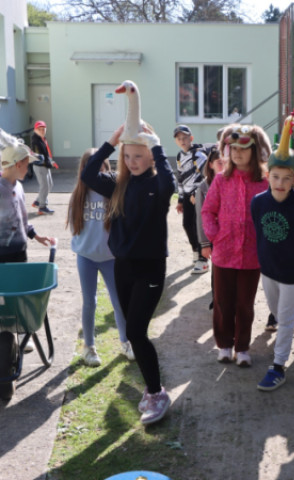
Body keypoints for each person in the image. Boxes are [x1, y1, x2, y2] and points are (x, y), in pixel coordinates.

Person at [81, 116, 175, 425]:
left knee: (135, 331)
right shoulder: (117, 186)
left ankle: (158, 394)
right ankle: (152, 389)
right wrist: (112, 141)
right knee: (134, 333)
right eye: (128, 156)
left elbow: (170, 184)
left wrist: (157, 145)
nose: (132, 161)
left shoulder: (157, 186)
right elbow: (88, 173)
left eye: (139, 155)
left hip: (150, 269)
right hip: (123, 267)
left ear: (151, 157)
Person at [252, 116, 294, 391]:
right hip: (267, 268)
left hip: (290, 271)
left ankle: (278, 366)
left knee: (285, 320)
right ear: (268, 176)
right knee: (276, 313)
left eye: (286, 178)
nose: (280, 183)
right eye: (275, 177)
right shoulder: (258, 203)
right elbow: (258, 228)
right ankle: (286, 324)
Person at [202, 124, 271, 367]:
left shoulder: (264, 182)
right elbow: (208, 211)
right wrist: (215, 235)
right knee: (223, 302)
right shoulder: (221, 180)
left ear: (254, 150)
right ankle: (224, 345)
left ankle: (242, 348)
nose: (238, 153)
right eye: (233, 149)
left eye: (244, 148)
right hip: (224, 253)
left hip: (252, 255)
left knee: (245, 304)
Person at [67, 149, 135, 367]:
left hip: (110, 259)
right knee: (90, 302)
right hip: (86, 258)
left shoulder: (112, 192)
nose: (98, 172)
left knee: (119, 301)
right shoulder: (78, 195)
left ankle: (126, 342)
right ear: (83, 170)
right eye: (92, 168)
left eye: (102, 167)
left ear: (107, 168)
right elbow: (75, 228)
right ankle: (89, 347)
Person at [0, 128, 55, 351]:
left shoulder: (20, 187)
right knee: (3, 297)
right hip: (1, 254)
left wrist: (35, 235)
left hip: (19, 252)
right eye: (27, 164)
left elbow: (22, 218)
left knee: (19, 294)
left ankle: (22, 333)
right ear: (17, 164)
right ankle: (4, 333)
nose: (29, 168)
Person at [174, 124, 209, 275]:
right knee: (187, 224)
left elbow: (205, 176)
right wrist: (181, 199)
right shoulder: (179, 156)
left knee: (198, 226)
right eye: (179, 139)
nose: (182, 141)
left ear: (191, 138)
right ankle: (196, 250)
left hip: (199, 196)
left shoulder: (199, 155)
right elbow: (181, 178)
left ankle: (203, 259)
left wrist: (197, 192)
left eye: (185, 138)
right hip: (188, 196)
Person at [195, 146, 226, 309]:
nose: (223, 166)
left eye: (226, 162)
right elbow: (201, 216)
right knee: (218, 270)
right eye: (219, 162)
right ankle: (217, 299)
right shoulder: (204, 187)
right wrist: (205, 243)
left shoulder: (232, 182)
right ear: (211, 164)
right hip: (214, 236)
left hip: (230, 235)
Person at [31, 120, 57, 215]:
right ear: (35, 130)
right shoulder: (36, 141)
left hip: (45, 165)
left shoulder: (42, 139)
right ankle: (42, 207)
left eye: (43, 129)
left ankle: (38, 201)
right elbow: (40, 156)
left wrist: (50, 161)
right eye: (40, 129)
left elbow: (45, 154)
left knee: (49, 185)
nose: (42, 131)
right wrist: (49, 163)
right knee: (44, 186)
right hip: (40, 166)